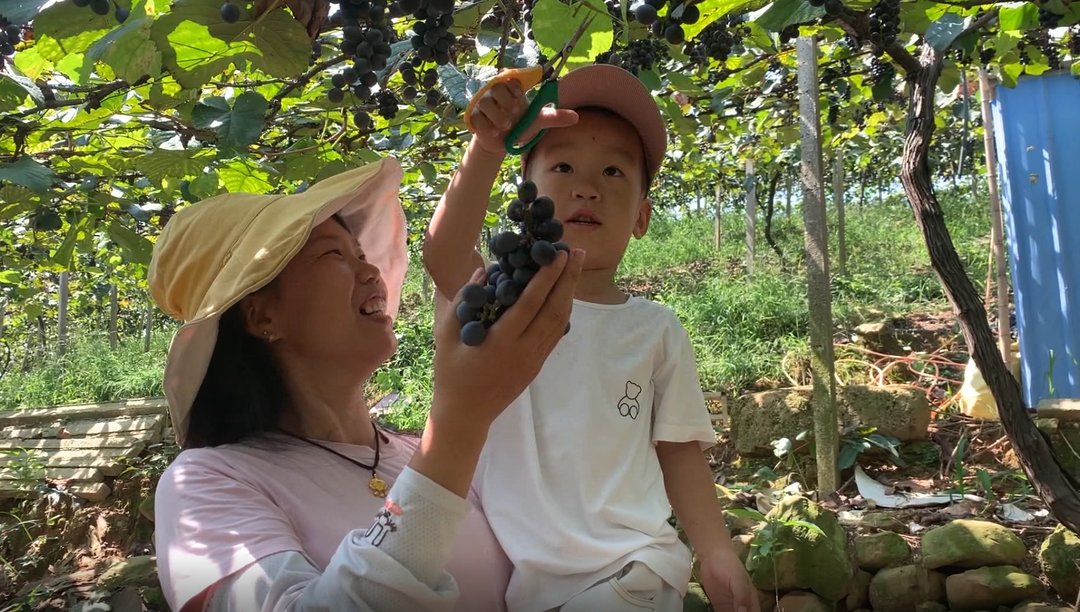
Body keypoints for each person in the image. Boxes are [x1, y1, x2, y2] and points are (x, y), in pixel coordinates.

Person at [148, 156, 584, 612]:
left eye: (361, 253)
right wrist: (460, 424)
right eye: (334, 254)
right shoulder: (206, 482)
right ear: (262, 316)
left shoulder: (423, 456)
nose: (371, 270)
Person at [423, 64, 759, 612]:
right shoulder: (498, 302)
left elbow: (678, 451)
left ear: (642, 217)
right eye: (562, 166)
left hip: (628, 572)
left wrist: (716, 551)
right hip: (521, 585)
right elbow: (442, 253)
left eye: (612, 173)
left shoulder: (654, 328)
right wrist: (486, 149)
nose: (587, 187)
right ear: (525, 195)